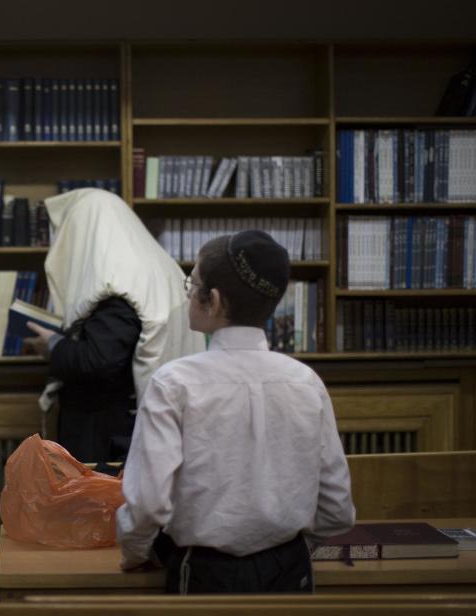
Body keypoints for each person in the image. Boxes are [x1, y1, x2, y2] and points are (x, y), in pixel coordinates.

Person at [117, 230, 356, 594]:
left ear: (211, 300)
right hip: (291, 569)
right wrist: (293, 547)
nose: (188, 293)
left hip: (204, 573)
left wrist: (134, 552)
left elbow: (148, 505)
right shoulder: (305, 382)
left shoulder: (173, 383)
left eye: (190, 283)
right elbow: (337, 507)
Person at [24, 188, 205, 463]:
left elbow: (99, 361)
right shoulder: (152, 267)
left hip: (111, 440)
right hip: (145, 426)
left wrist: (52, 346)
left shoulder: (118, 282)